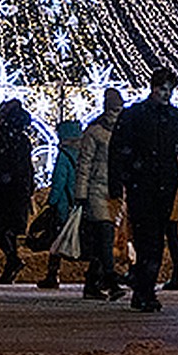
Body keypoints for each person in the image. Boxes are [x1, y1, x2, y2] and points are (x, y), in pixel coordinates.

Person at [108, 66, 178, 313]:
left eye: (169, 89)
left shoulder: (170, 118)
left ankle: (144, 288)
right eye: (162, 89)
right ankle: (145, 289)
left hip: (158, 184)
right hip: (144, 184)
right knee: (146, 239)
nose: (166, 94)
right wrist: (117, 181)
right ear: (153, 88)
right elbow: (118, 150)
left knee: (153, 239)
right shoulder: (141, 116)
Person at [75, 88, 126, 301]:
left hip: (113, 191)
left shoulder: (123, 132)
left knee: (102, 241)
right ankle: (111, 281)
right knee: (105, 236)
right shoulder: (95, 132)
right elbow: (84, 164)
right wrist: (81, 193)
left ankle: (91, 283)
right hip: (97, 190)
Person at [0, 97, 36, 284]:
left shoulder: (6, 137)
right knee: (8, 228)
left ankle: (12, 259)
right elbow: (25, 166)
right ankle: (11, 259)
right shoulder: (20, 138)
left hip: (5, 188)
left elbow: (6, 165)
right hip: (16, 187)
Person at [38, 119, 82, 289]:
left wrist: (50, 203)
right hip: (79, 204)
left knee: (57, 241)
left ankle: (52, 274)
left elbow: (59, 182)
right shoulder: (84, 154)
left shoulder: (64, 156)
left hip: (65, 205)